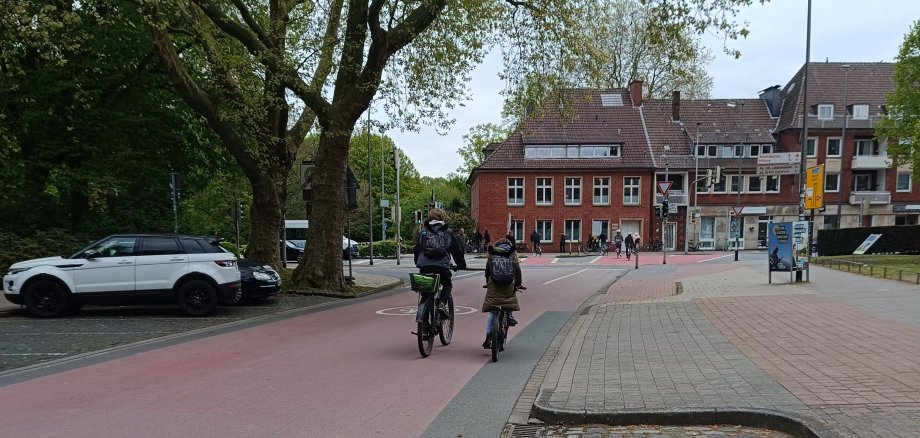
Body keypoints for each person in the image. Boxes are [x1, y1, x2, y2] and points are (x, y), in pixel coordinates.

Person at [414, 208, 467, 316]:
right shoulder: (448, 231)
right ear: (443, 218)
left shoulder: (423, 231)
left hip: (425, 266)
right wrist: (461, 264)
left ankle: (423, 319)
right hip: (441, 266)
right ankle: (442, 303)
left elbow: (417, 250)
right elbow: (456, 251)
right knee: (447, 284)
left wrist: (417, 263)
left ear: (429, 218)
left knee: (425, 290)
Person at [481, 237, 522, 349]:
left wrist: (487, 282)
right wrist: (517, 284)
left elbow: (487, 270)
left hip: (493, 285)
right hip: (508, 285)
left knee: (491, 311)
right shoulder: (512, 254)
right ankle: (509, 317)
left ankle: (488, 335)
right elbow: (517, 270)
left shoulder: (493, 253)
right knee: (508, 301)